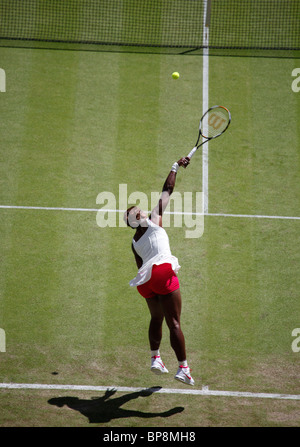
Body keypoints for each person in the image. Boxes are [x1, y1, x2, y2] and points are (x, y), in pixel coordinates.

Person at [124, 157, 194, 386]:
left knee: (157, 316)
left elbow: (140, 267)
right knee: (174, 322)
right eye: (137, 210)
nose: (141, 209)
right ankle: (183, 368)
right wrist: (175, 166)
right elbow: (168, 189)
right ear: (139, 218)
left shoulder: (134, 242)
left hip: (145, 282)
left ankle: (155, 358)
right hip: (162, 271)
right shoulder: (153, 220)